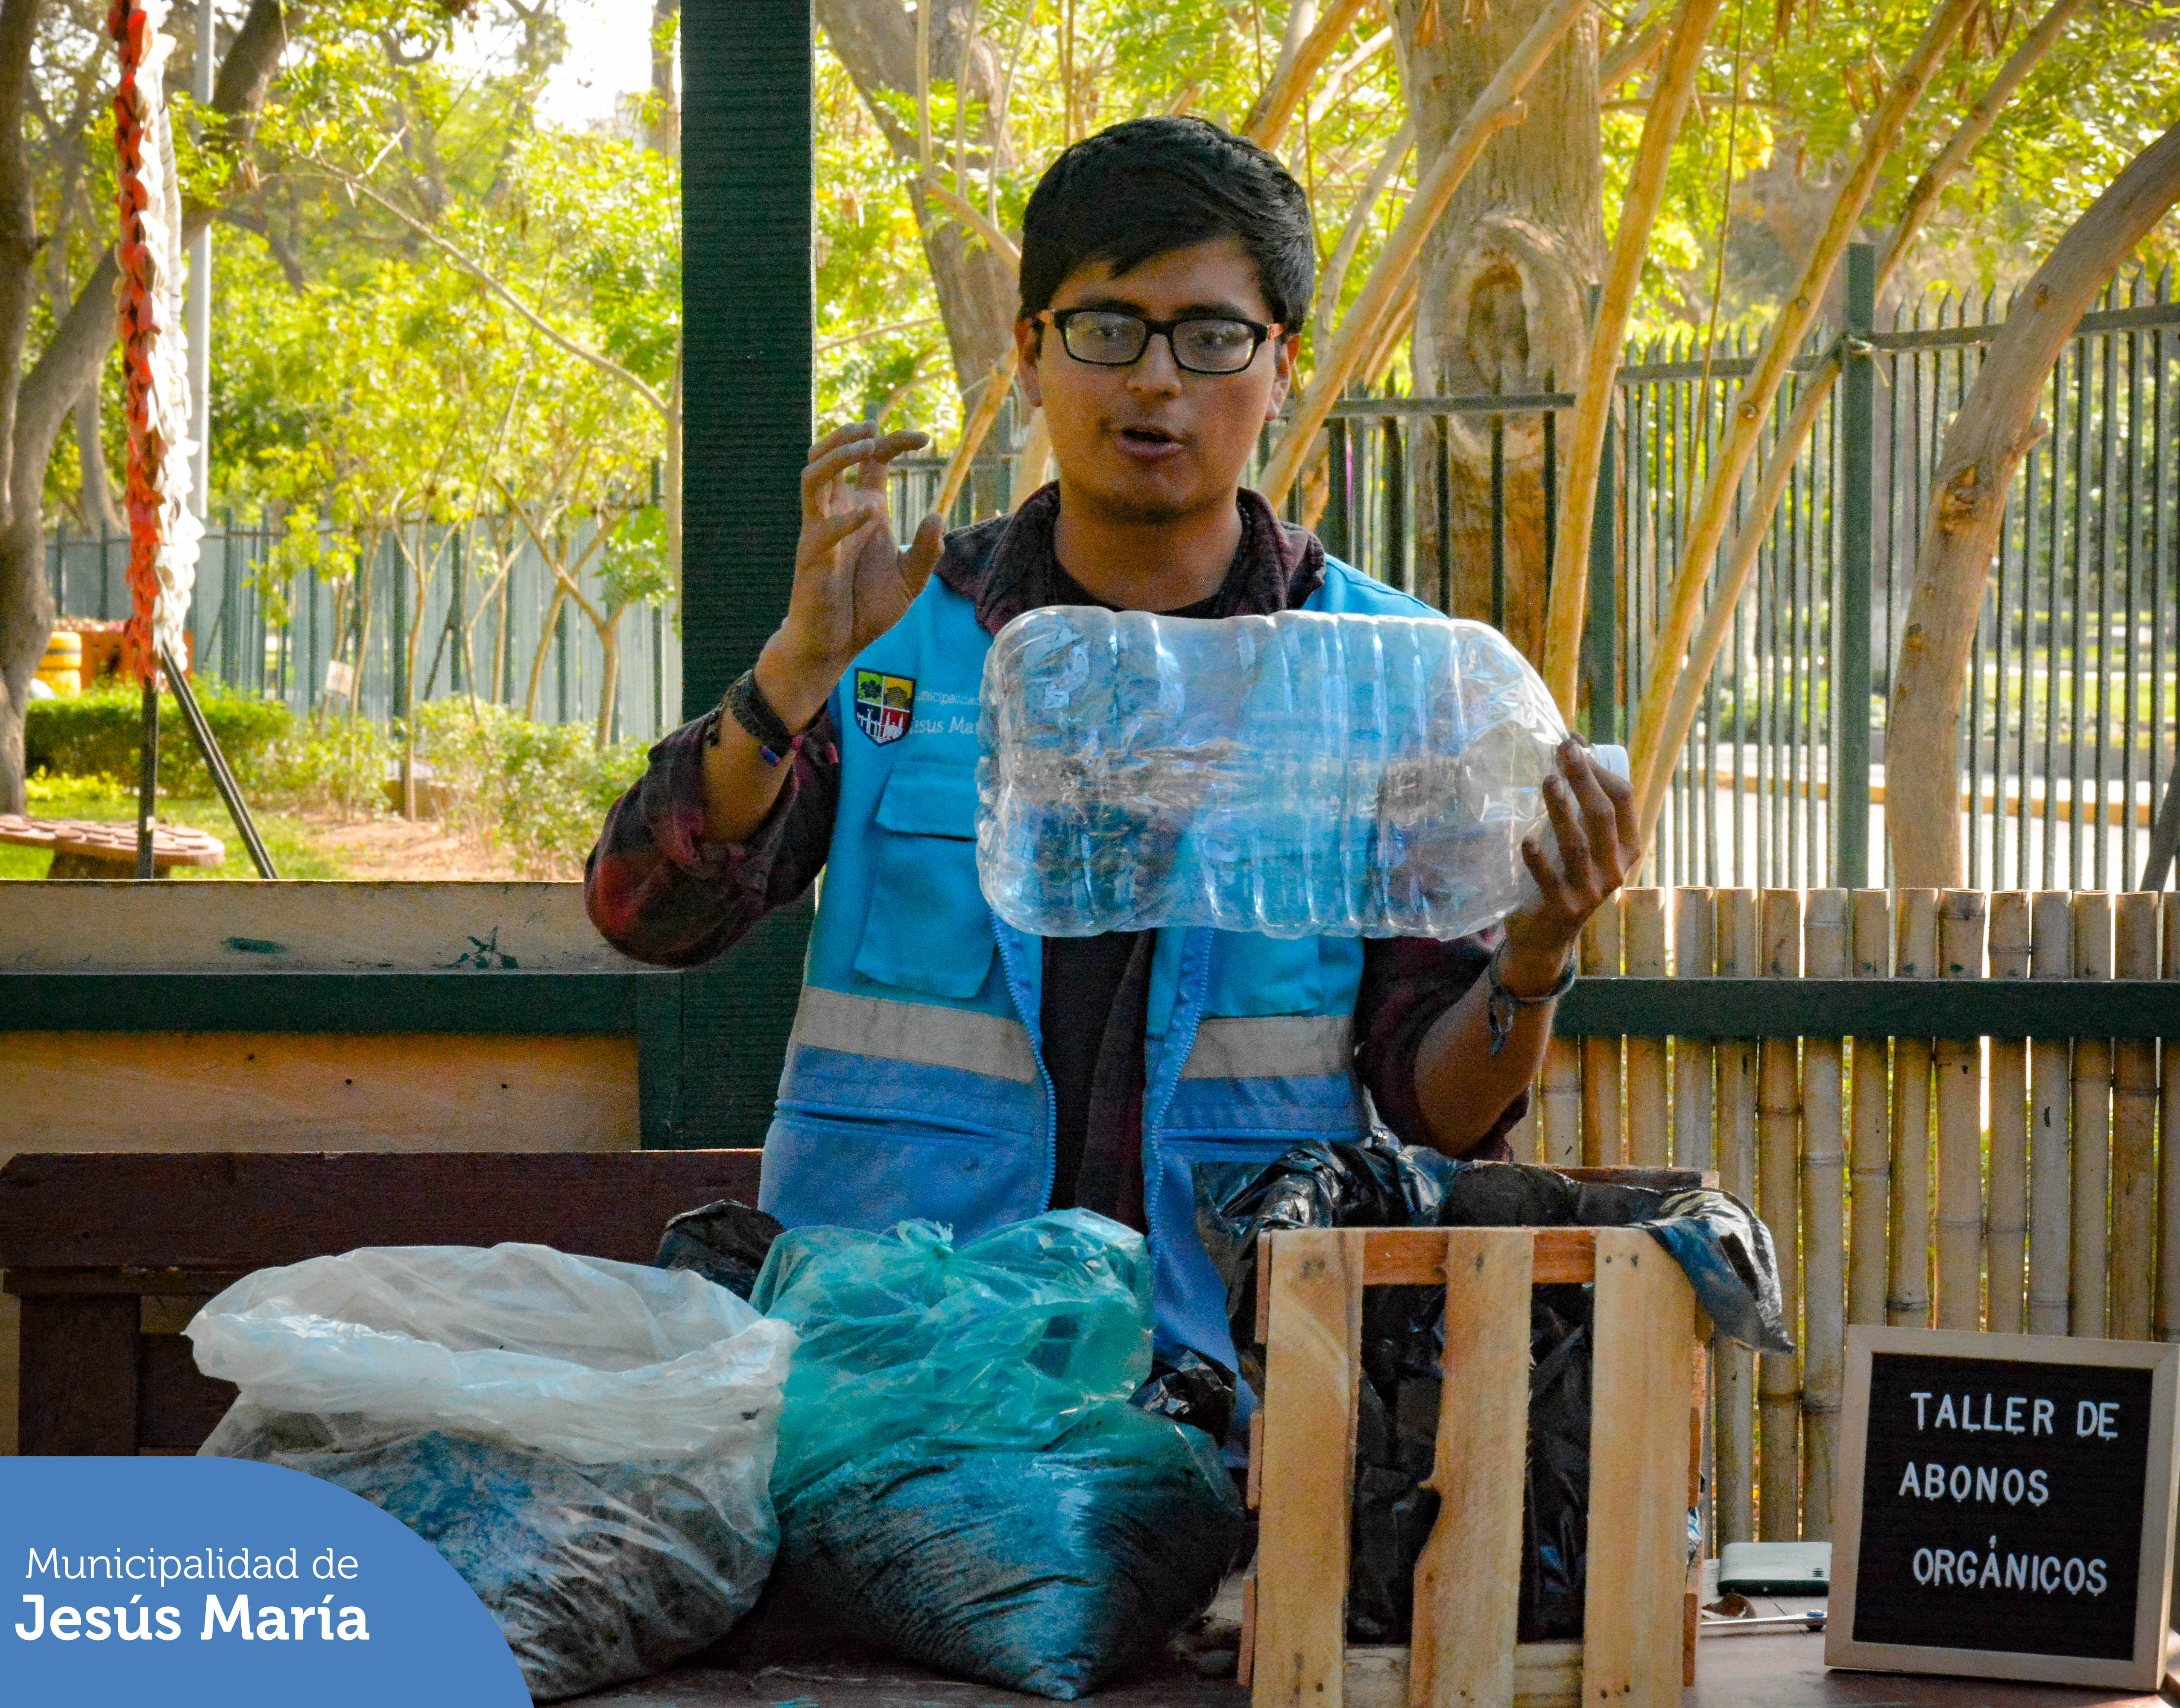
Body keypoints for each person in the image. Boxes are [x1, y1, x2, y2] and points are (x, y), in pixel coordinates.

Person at [586, 116, 1639, 1376]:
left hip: (1228, 1384)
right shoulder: (898, 628)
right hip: (895, 1381)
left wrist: (1535, 954)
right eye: (1107, 329)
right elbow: (648, 915)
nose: (1156, 380)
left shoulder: (1384, 674)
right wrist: (793, 675)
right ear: (1031, 353)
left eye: (1211, 337)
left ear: (1282, 362)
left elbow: (1439, 1106)